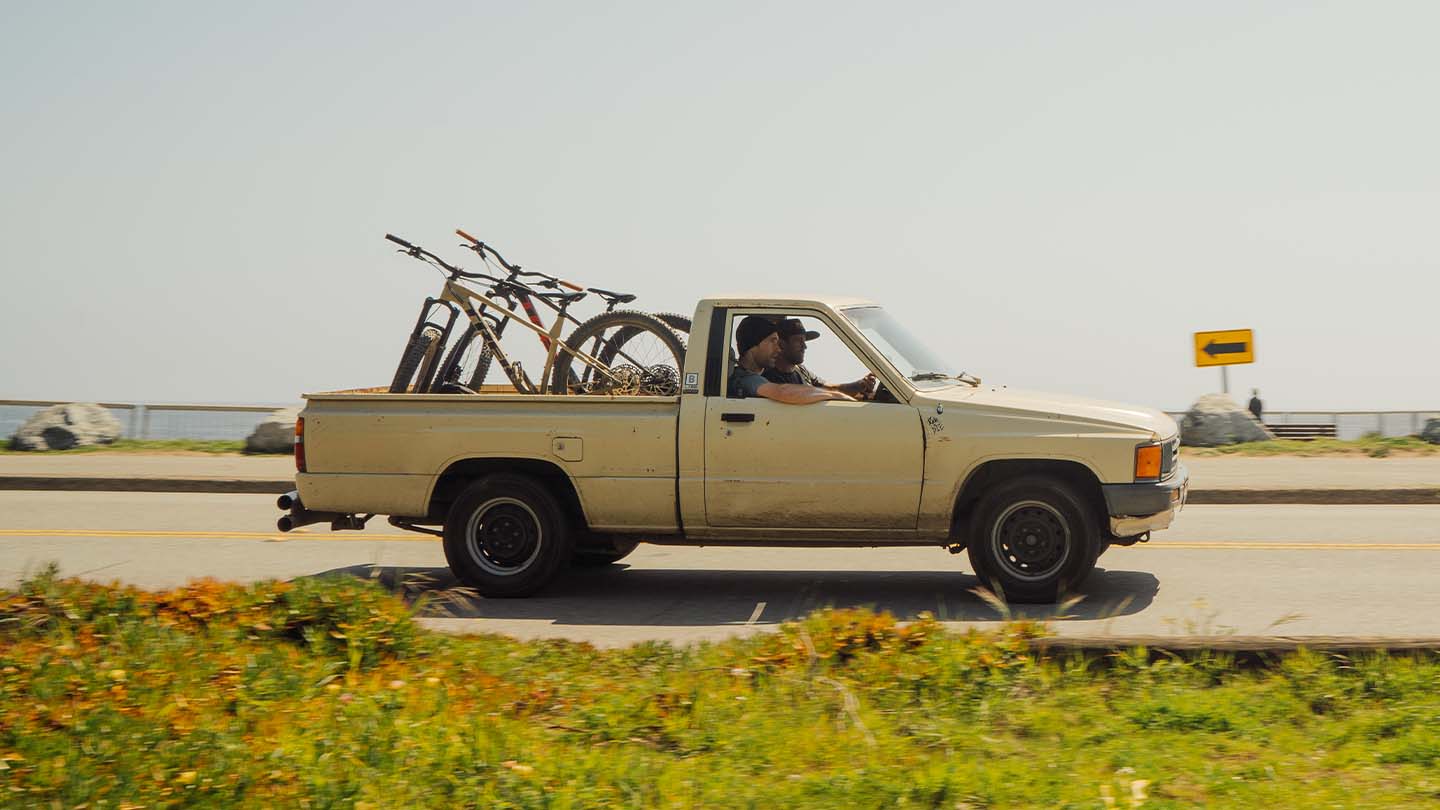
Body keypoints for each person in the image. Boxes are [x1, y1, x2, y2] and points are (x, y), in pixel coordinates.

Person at [729, 315, 853, 405]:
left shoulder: (757, 376)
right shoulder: (745, 379)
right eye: (773, 341)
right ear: (754, 345)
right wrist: (835, 396)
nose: (778, 349)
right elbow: (782, 391)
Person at [763, 318, 876, 399]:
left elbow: (829, 388)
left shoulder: (801, 370)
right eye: (798, 341)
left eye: (804, 341)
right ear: (782, 344)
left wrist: (860, 385)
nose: (804, 346)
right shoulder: (769, 376)